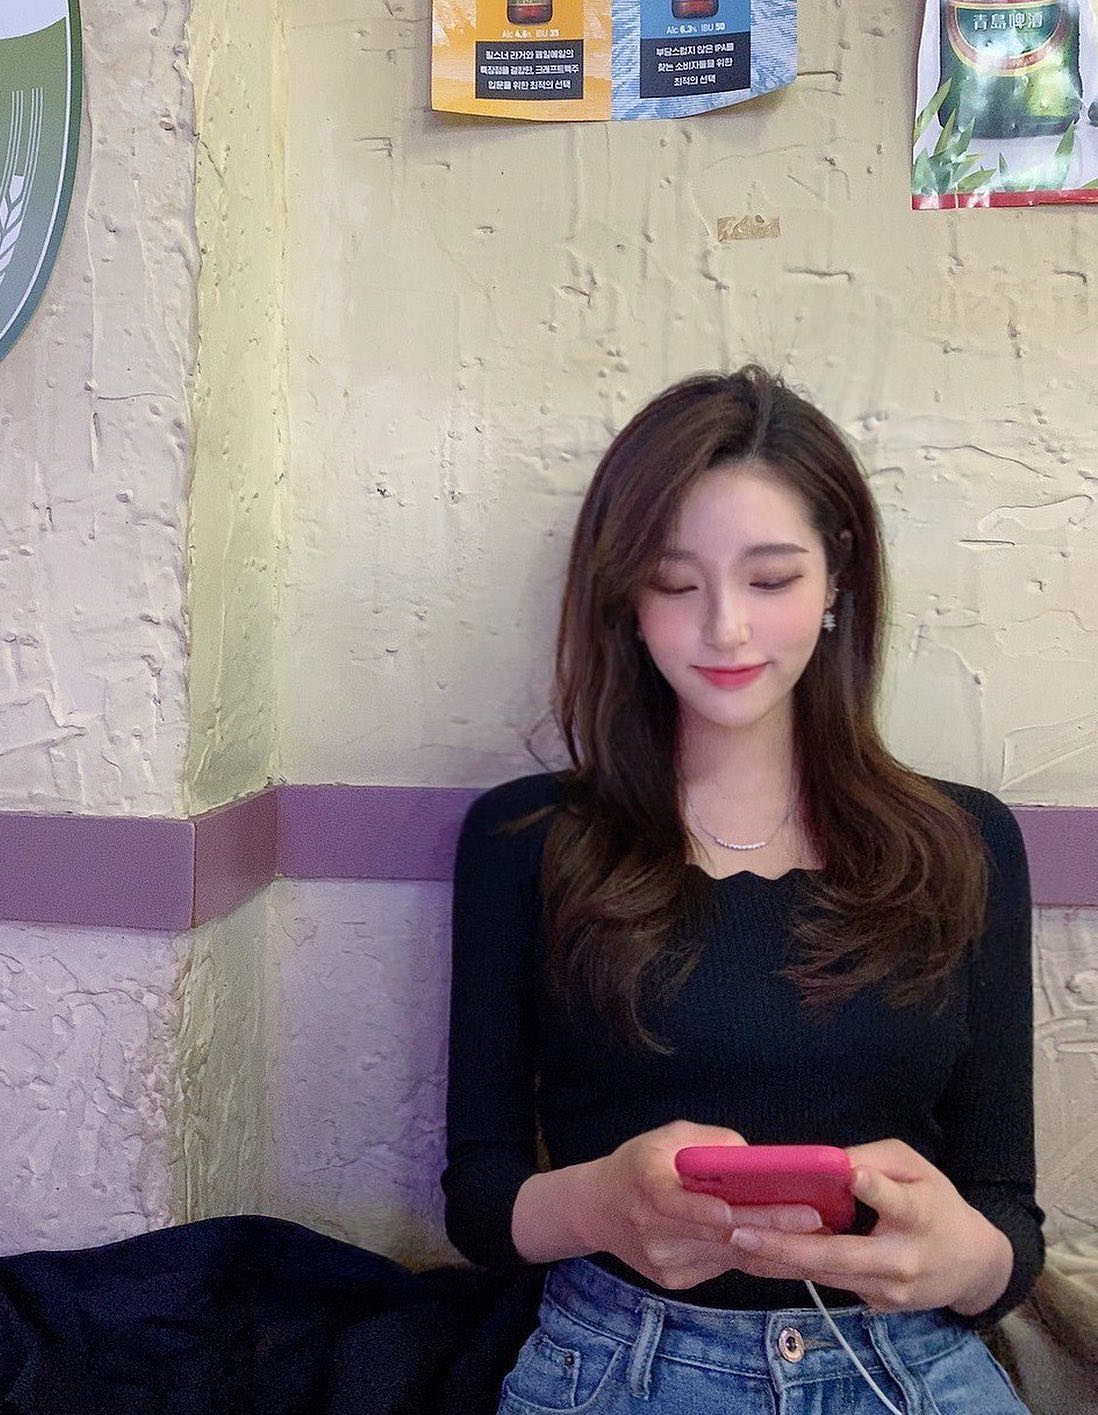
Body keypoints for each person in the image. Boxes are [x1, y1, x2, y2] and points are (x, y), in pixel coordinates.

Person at [441, 366, 1043, 1414]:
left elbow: (1008, 1219)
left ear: (837, 577)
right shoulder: (526, 839)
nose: (725, 628)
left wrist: (964, 1260)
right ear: (626, 598)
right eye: (676, 584)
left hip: (909, 1363)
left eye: (771, 580)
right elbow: (481, 1200)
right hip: (619, 1360)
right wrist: (601, 1203)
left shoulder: (965, 842)